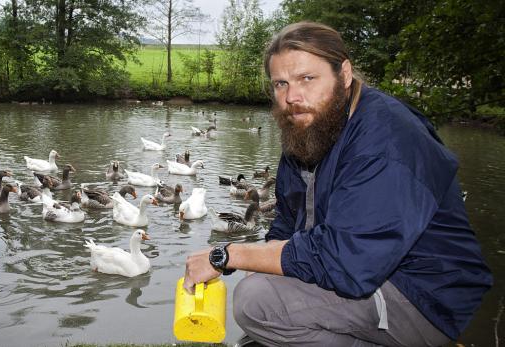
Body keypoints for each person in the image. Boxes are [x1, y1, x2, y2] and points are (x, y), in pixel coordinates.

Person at [183, 21, 493, 346]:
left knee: (257, 300)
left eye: (307, 78)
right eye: (280, 83)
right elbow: (286, 226)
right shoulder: (309, 129)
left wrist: (226, 255)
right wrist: (258, 261)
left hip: (422, 294)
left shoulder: (387, 137)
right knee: (262, 286)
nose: (292, 97)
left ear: (344, 74)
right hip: (358, 274)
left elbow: (349, 261)